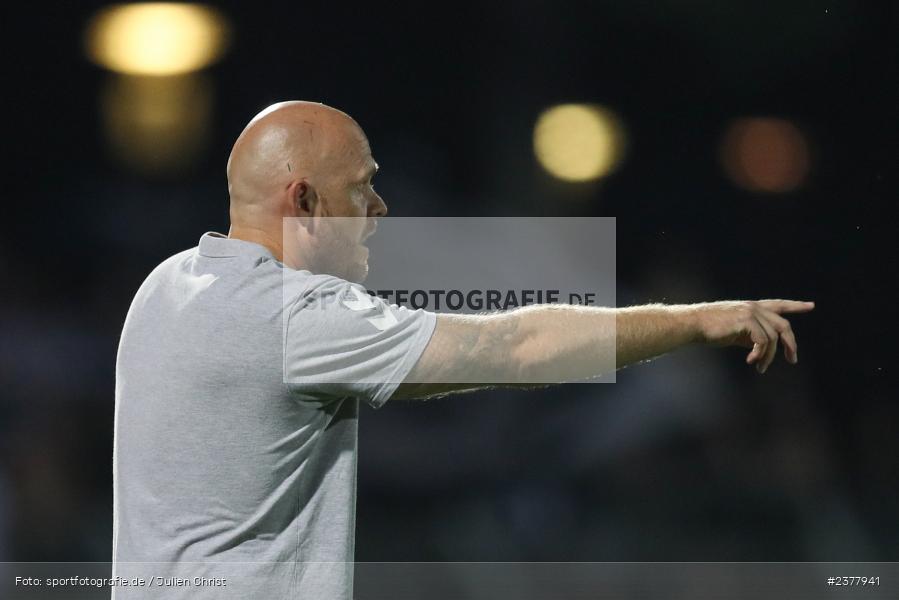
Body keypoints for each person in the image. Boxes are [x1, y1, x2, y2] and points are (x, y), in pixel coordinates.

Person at [112, 100, 814, 598]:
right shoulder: (296, 316)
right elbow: (516, 347)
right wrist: (694, 322)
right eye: (362, 189)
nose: (380, 209)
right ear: (304, 200)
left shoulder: (168, 283)